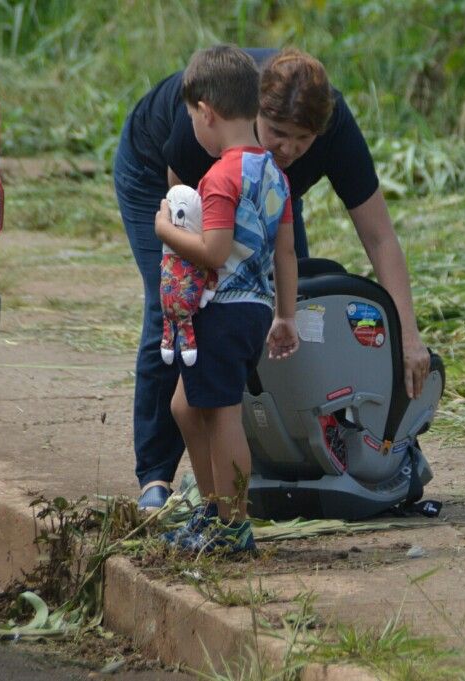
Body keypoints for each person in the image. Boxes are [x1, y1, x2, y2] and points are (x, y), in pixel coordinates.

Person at [114, 47, 430, 511]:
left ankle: (280, 455)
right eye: (278, 134)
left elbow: (380, 237)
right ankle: (157, 477)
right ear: (252, 112)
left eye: (303, 141)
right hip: (167, 183)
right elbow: (192, 242)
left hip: (263, 188)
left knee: (292, 309)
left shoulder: (329, 132)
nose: (288, 149)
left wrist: (409, 336)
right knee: (180, 309)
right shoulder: (202, 127)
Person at [153, 44, 298, 552]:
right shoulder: (275, 175)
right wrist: (285, 315)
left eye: (193, 117)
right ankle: (214, 508)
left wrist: (165, 230)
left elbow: (212, 252)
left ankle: (232, 526)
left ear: (206, 112)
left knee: (222, 412)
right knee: (185, 406)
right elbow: (286, 254)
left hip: (223, 308)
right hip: (255, 309)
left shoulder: (221, 176)